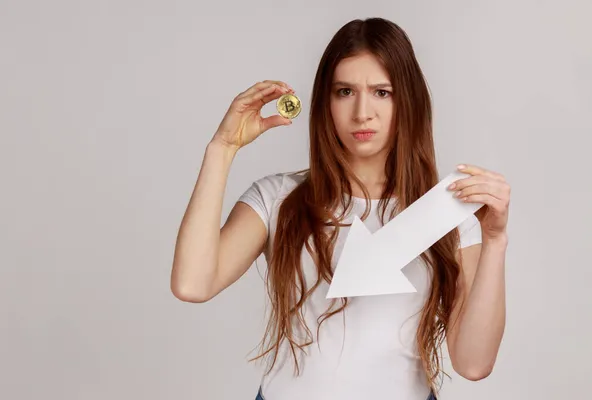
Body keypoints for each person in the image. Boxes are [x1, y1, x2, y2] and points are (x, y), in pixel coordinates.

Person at [171, 17, 511, 400]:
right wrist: (222, 148)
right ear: (325, 102)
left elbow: (474, 363)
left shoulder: (446, 212)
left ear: (408, 101)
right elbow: (192, 284)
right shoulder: (278, 198)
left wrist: (495, 240)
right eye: (345, 91)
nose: (362, 112)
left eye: (382, 92)